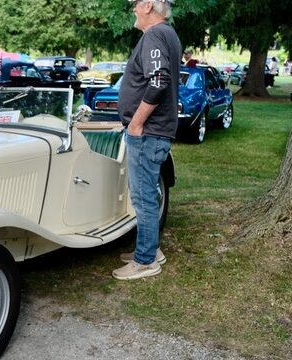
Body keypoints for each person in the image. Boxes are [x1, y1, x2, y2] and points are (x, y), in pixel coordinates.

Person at [113, 0, 181, 280]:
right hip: (155, 130)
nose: (132, 9)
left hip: (148, 131)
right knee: (148, 193)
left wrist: (137, 123)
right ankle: (151, 249)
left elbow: (158, 81)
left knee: (142, 196)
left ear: (149, 5)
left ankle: (145, 262)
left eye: (135, 3)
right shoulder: (167, 34)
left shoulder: (154, 34)